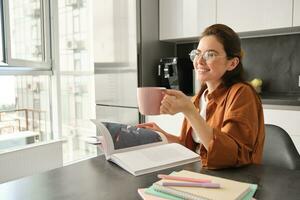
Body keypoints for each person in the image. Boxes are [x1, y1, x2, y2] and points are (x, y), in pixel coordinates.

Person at [137, 24, 265, 169]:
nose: (199, 61)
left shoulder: (242, 93)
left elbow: (230, 156)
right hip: (200, 174)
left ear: (232, 63)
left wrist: (190, 111)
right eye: (197, 53)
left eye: (210, 54)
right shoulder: (199, 97)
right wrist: (162, 135)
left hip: (232, 181)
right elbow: (191, 147)